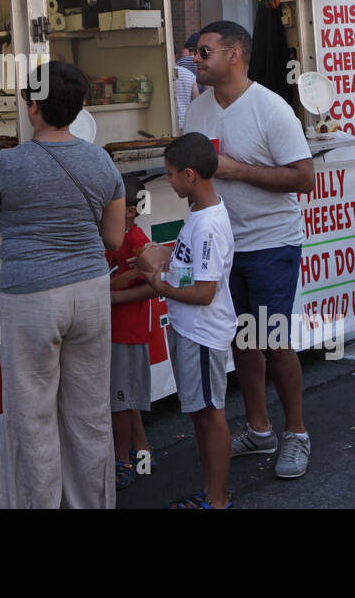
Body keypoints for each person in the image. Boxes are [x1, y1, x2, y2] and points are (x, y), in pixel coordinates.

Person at [0, 60, 126, 508]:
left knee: (32, 418)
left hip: (30, 297)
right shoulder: (101, 160)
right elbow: (113, 238)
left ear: (33, 107)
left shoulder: (8, 164)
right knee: (89, 414)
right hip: (90, 291)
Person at [183, 21, 314, 479]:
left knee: (274, 341)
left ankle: (296, 432)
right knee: (242, 341)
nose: (195, 60)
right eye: (196, 53)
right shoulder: (197, 110)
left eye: (204, 52)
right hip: (223, 247)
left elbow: (303, 177)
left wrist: (238, 171)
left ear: (235, 55)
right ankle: (260, 430)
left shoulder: (271, 108)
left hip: (270, 243)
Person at [135, 133, 236, 509]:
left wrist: (158, 283)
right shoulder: (200, 214)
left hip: (202, 334)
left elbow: (205, 292)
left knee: (210, 416)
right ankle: (211, 492)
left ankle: (217, 498)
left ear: (190, 175)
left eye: (172, 174)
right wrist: (164, 258)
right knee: (200, 416)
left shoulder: (207, 223)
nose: (169, 181)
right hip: (188, 329)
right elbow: (194, 274)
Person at [107, 173, 156, 490]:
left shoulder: (136, 240)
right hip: (113, 330)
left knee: (120, 402)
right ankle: (142, 452)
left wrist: (110, 291)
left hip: (125, 333)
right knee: (124, 397)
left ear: (129, 210)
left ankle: (121, 461)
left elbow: (154, 283)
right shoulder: (113, 234)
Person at [175, 32, 202, 129]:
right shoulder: (189, 75)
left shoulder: (180, 63)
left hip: (169, 121)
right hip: (186, 121)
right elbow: (197, 100)